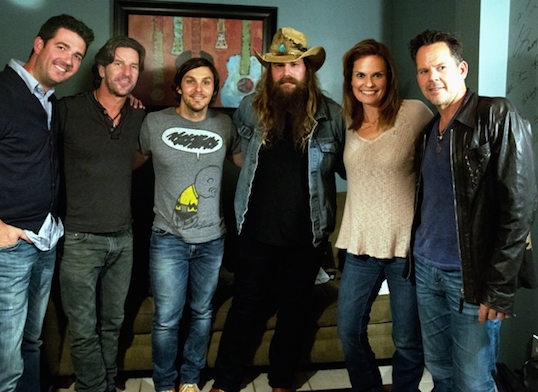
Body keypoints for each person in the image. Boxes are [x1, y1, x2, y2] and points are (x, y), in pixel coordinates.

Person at [209, 27, 345, 392]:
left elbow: (354, 167)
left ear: (308, 70)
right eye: (278, 66)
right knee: (245, 308)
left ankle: (281, 381)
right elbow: (230, 146)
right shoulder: (248, 110)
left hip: (307, 235)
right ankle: (225, 381)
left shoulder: (333, 116)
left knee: (294, 312)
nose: (286, 72)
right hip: (254, 233)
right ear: (269, 71)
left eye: (295, 64)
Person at [0, 14, 94, 392]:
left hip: (43, 241)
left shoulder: (46, 100)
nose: (69, 60)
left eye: (77, 55)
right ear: (38, 44)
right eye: (62, 47)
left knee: (30, 345)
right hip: (4, 249)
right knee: (3, 364)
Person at [407, 30, 537, 391]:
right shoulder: (429, 129)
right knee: (440, 372)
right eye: (423, 71)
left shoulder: (497, 115)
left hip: (472, 280)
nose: (432, 77)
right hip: (426, 270)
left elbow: (520, 208)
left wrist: (498, 287)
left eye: (441, 67)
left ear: (461, 68)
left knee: (474, 381)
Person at [138, 57, 242, 392]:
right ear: (179, 86)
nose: (199, 88)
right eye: (191, 81)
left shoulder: (226, 126)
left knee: (201, 314)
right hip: (168, 238)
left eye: (207, 82)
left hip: (213, 240)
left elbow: (249, 163)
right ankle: (165, 384)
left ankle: (191, 380)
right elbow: (125, 163)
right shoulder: (154, 123)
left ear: (215, 89)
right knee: (167, 319)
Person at [335, 39, 432, 392]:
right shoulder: (346, 121)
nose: (369, 83)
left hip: (406, 250)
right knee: (348, 331)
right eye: (360, 75)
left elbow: (440, 160)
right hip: (359, 248)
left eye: (377, 74)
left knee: (407, 341)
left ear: (389, 77)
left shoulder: (415, 113)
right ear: (350, 79)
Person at [57, 35, 146, 392]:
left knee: (113, 323)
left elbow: (139, 160)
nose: (127, 72)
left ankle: (106, 383)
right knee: (82, 328)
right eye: (119, 64)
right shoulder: (66, 110)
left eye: (135, 66)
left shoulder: (140, 116)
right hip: (79, 239)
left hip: (123, 239)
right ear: (100, 69)